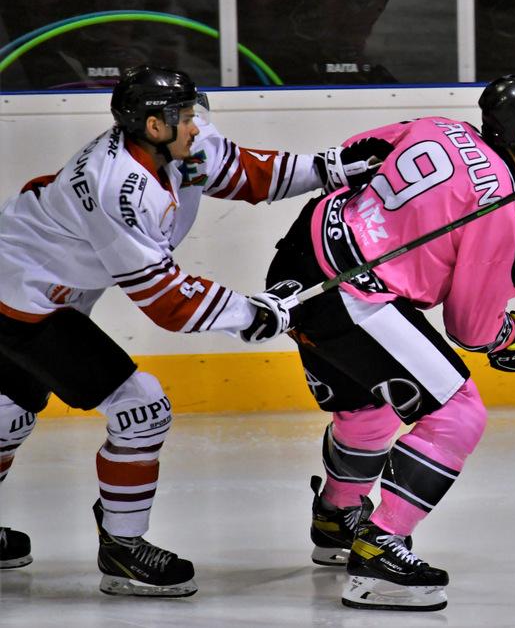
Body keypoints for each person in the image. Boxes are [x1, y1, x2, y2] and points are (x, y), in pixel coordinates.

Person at [0, 64, 374, 596]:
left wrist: (332, 169)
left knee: (7, 413)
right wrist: (253, 315)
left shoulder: (175, 145)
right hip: (21, 295)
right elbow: (166, 300)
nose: (196, 125)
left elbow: (247, 172)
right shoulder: (118, 190)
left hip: (46, 278)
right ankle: (124, 551)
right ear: (154, 126)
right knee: (141, 408)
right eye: (185, 116)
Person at [265, 75, 515, 610]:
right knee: (458, 413)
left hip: (298, 259)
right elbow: (471, 329)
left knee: (369, 408)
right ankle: (378, 552)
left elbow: (348, 160)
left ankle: (339, 516)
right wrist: (512, 336)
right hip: (352, 296)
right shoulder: (505, 209)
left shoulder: (439, 127)